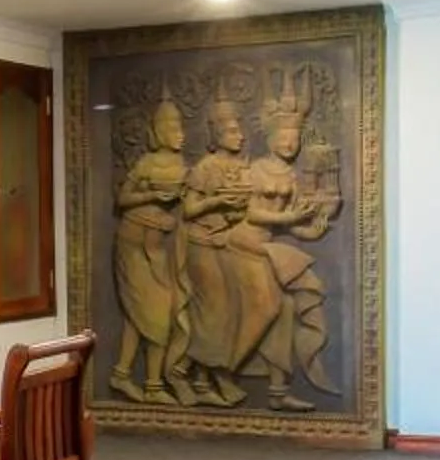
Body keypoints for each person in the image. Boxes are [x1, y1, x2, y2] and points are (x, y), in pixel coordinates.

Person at [174, 100, 281, 405]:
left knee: (235, 310)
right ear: (217, 133)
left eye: (241, 130)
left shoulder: (243, 167)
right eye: (233, 131)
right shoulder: (205, 168)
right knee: (215, 312)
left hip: (228, 242)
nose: (241, 136)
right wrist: (217, 203)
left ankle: (202, 377)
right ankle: (200, 374)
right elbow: (190, 209)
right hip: (201, 244)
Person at [241, 85, 341, 409]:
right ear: (268, 137)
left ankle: (278, 393)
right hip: (242, 245)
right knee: (270, 306)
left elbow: (292, 224)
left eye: (295, 138)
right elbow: (251, 212)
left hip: (266, 247)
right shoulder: (255, 170)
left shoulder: (294, 176)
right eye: (284, 137)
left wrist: (312, 231)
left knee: (285, 309)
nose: (290, 143)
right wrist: (289, 216)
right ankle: (218, 369)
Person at [108, 98, 189, 404]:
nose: (181, 132)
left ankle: (127, 376)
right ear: (160, 130)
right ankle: (149, 383)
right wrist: (153, 194)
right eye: (175, 126)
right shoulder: (146, 163)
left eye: (181, 125)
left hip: (158, 247)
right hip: (133, 244)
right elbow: (123, 199)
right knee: (153, 311)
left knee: (143, 314)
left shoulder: (183, 166)